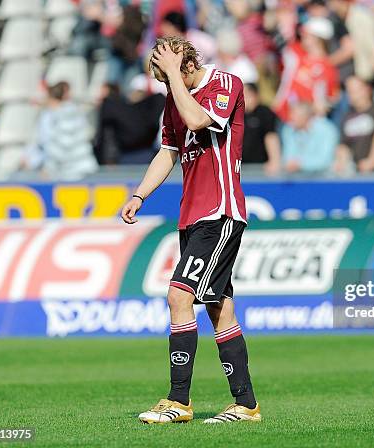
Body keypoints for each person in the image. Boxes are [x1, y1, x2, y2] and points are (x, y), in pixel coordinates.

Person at [121, 36, 261, 423]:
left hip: (220, 211)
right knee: (219, 308)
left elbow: (200, 120)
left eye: (168, 77)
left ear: (185, 65)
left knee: (178, 295)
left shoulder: (226, 83)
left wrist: (175, 82)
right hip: (191, 216)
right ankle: (246, 405)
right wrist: (139, 195)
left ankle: (178, 401)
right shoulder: (173, 98)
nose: (167, 87)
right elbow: (168, 152)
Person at [24, 82, 98, 180]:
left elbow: (61, 145)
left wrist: (49, 168)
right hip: (72, 171)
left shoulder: (66, 116)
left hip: (74, 172)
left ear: (53, 99)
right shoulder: (56, 115)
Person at [334, 75, 374, 174]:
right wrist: (341, 162)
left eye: (354, 91)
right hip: (355, 170)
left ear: (366, 90)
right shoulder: (346, 115)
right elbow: (343, 144)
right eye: (348, 91)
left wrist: (373, 161)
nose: (351, 95)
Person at [281, 101, 338, 174]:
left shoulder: (327, 130)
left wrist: (300, 164)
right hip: (296, 177)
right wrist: (293, 164)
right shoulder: (288, 129)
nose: (291, 119)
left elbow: (325, 160)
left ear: (306, 117)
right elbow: (287, 158)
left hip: (323, 177)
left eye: (296, 116)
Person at [243, 83, 281, 175]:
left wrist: (274, 161)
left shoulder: (265, 113)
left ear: (254, 95)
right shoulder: (237, 114)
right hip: (240, 166)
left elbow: (271, 136)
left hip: (261, 167)